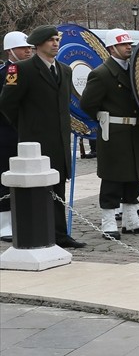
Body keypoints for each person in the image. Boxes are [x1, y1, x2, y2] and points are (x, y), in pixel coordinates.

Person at [0, 24, 86, 248]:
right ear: (38, 44)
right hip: (34, 141)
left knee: (58, 187)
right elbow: (7, 103)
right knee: (36, 190)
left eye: (57, 40)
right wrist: (26, 127)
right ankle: (38, 233)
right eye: (51, 40)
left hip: (59, 141)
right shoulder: (20, 69)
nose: (56, 44)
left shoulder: (64, 70)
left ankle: (60, 234)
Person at [79, 28, 139, 239]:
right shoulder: (102, 73)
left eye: (129, 44)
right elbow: (87, 103)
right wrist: (103, 117)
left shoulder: (134, 71)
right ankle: (108, 222)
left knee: (134, 175)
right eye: (124, 44)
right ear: (112, 48)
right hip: (115, 132)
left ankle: (131, 220)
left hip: (135, 129)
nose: (128, 47)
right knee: (113, 177)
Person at [0, 31, 34, 241]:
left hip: (27, 133)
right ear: (10, 51)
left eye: (29, 47)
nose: (28, 51)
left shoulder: (30, 71)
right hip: (7, 134)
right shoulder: (7, 73)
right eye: (23, 48)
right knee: (5, 178)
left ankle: (24, 217)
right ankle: (4, 223)